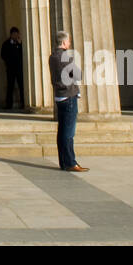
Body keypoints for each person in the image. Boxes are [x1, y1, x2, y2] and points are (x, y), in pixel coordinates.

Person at [50, 31, 87, 172]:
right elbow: (78, 74)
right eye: (69, 41)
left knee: (62, 131)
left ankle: (64, 162)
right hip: (68, 95)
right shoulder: (65, 57)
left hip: (59, 95)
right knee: (68, 132)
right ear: (64, 42)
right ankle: (71, 162)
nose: (70, 43)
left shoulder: (52, 56)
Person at [0, 27, 24, 110]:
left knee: (21, 86)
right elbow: (3, 55)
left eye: (17, 34)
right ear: (11, 34)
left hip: (19, 68)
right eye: (14, 34)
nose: (16, 35)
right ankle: (8, 104)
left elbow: (23, 54)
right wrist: (8, 61)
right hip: (10, 68)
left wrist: (20, 44)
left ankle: (23, 103)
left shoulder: (20, 43)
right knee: (10, 86)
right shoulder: (6, 44)